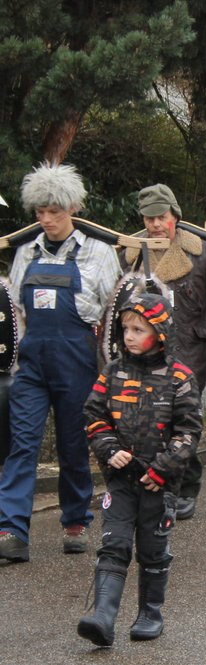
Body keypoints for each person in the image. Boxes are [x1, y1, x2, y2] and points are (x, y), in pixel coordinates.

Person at [0, 164, 122, 563]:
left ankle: (75, 520)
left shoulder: (99, 253)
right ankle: (12, 530)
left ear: (71, 207)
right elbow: (16, 310)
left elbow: (117, 312)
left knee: (73, 445)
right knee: (22, 446)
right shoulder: (24, 252)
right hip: (32, 365)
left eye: (54, 211)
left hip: (77, 362)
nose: (46, 220)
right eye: (39, 212)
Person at [77, 294, 202, 646]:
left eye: (138, 329)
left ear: (160, 332)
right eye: (125, 328)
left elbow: (188, 432)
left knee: (152, 550)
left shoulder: (180, 377)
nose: (129, 336)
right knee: (113, 544)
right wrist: (109, 448)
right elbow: (94, 415)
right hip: (121, 480)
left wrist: (163, 470)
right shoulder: (113, 371)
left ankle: (150, 612)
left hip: (157, 484)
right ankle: (103, 616)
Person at [123, 184, 206, 519]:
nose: (154, 224)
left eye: (161, 217)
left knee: (182, 420)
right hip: (144, 352)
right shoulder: (133, 253)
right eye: (149, 218)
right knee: (150, 420)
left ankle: (184, 487)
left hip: (189, 349)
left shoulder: (201, 251)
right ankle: (156, 482)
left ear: (175, 217)